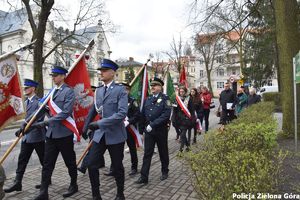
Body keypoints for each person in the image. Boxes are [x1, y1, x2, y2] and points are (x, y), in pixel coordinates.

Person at [82, 59, 128, 200]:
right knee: (91, 164)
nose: (101, 73)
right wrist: (85, 126)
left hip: (115, 135)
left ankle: (120, 193)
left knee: (117, 167)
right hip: (100, 135)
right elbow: (94, 110)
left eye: (104, 70)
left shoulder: (120, 90)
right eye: (100, 70)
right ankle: (96, 195)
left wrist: (100, 123)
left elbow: (121, 114)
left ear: (113, 73)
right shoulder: (99, 91)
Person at [32, 66, 78, 200]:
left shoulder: (69, 92)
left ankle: (73, 184)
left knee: (69, 162)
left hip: (64, 134)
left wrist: (46, 122)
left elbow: (66, 112)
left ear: (63, 76)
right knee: (47, 163)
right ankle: (43, 191)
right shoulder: (51, 92)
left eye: (56, 75)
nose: (53, 77)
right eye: (52, 75)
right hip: (51, 134)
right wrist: (28, 122)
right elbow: (42, 109)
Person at [4, 79, 46, 193]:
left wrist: (24, 128)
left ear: (33, 89)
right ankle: (17, 183)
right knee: (22, 160)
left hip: (37, 137)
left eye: (27, 88)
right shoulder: (25, 102)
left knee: (44, 161)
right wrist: (22, 129)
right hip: (26, 137)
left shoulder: (39, 102)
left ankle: (46, 181)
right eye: (24, 88)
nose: (25, 89)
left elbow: (38, 119)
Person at [135, 77, 171, 185]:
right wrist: (141, 131)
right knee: (147, 153)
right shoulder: (148, 99)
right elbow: (143, 116)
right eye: (152, 86)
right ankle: (144, 176)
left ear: (160, 87)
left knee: (163, 151)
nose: (152, 87)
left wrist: (153, 124)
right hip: (149, 131)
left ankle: (165, 171)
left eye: (155, 85)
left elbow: (166, 114)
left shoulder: (166, 99)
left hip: (160, 130)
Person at [105, 82, 140, 177]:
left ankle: (134, 167)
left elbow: (137, 115)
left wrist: (129, 122)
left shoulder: (133, 101)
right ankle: (114, 168)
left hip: (129, 129)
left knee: (132, 148)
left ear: (129, 90)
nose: (123, 91)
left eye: (125, 89)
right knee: (117, 149)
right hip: (119, 129)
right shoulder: (116, 100)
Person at [77, 86, 105, 175]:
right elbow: (88, 115)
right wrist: (85, 128)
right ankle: (84, 167)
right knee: (93, 148)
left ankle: (85, 166)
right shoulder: (91, 102)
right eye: (92, 91)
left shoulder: (98, 102)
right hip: (92, 128)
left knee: (93, 148)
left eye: (93, 91)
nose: (93, 93)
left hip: (99, 126)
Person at [173, 87, 195, 152]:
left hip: (186, 119)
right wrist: (173, 118)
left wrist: (193, 118)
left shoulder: (189, 99)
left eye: (183, 91)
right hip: (178, 119)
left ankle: (181, 150)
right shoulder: (176, 99)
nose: (181, 93)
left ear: (185, 92)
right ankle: (188, 146)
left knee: (182, 134)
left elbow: (192, 110)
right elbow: (174, 110)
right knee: (182, 134)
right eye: (180, 91)